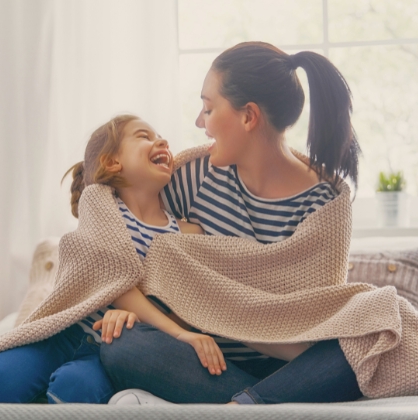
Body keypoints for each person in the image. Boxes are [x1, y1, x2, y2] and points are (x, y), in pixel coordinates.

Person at [99, 41, 364, 405]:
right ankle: (254, 405)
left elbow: (313, 325)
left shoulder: (326, 204)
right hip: (207, 364)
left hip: (292, 369)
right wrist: (124, 307)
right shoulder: (195, 177)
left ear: (248, 117)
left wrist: (228, 311)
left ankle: (243, 406)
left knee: (366, 343)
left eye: (208, 108)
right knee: (123, 347)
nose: (198, 122)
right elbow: (120, 233)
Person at [0, 114, 227, 404]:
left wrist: (151, 328)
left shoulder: (188, 233)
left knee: (73, 391)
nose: (161, 141)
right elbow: (116, 283)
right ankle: (36, 383)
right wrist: (179, 335)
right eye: (144, 136)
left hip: (107, 350)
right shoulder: (100, 205)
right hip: (64, 335)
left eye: (160, 137)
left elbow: (193, 301)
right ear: (112, 163)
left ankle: (48, 390)